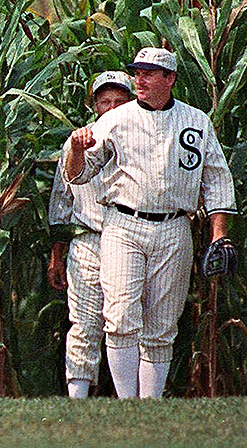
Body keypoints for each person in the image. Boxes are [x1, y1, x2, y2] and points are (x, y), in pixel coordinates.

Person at [64, 48, 235, 398]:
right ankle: (129, 404)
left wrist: (219, 235)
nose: (139, 79)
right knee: (121, 316)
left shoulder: (196, 121)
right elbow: (79, 175)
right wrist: (78, 151)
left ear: (169, 79)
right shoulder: (115, 119)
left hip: (175, 226)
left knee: (161, 325)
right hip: (124, 224)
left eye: (149, 73)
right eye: (137, 73)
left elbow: (216, 180)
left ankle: (150, 404)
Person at [47, 71, 134, 399]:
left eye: (119, 101)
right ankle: (78, 397)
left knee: (125, 320)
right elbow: (61, 201)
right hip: (87, 239)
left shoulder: (140, 138)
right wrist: (57, 253)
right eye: (104, 100)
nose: (111, 107)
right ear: (94, 104)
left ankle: (131, 397)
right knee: (83, 321)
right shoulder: (77, 142)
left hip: (129, 237)